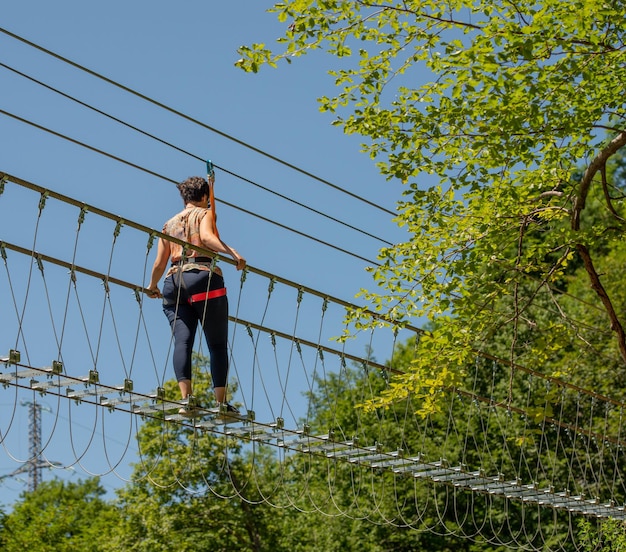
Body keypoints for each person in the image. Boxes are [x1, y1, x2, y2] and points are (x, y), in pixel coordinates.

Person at [146, 175, 246, 417]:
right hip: (203, 278)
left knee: (183, 341)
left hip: (173, 283)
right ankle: (221, 404)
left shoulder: (168, 225)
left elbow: (160, 262)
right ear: (204, 197)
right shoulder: (205, 214)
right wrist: (232, 253)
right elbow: (208, 238)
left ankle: (186, 400)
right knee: (217, 343)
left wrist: (152, 285)